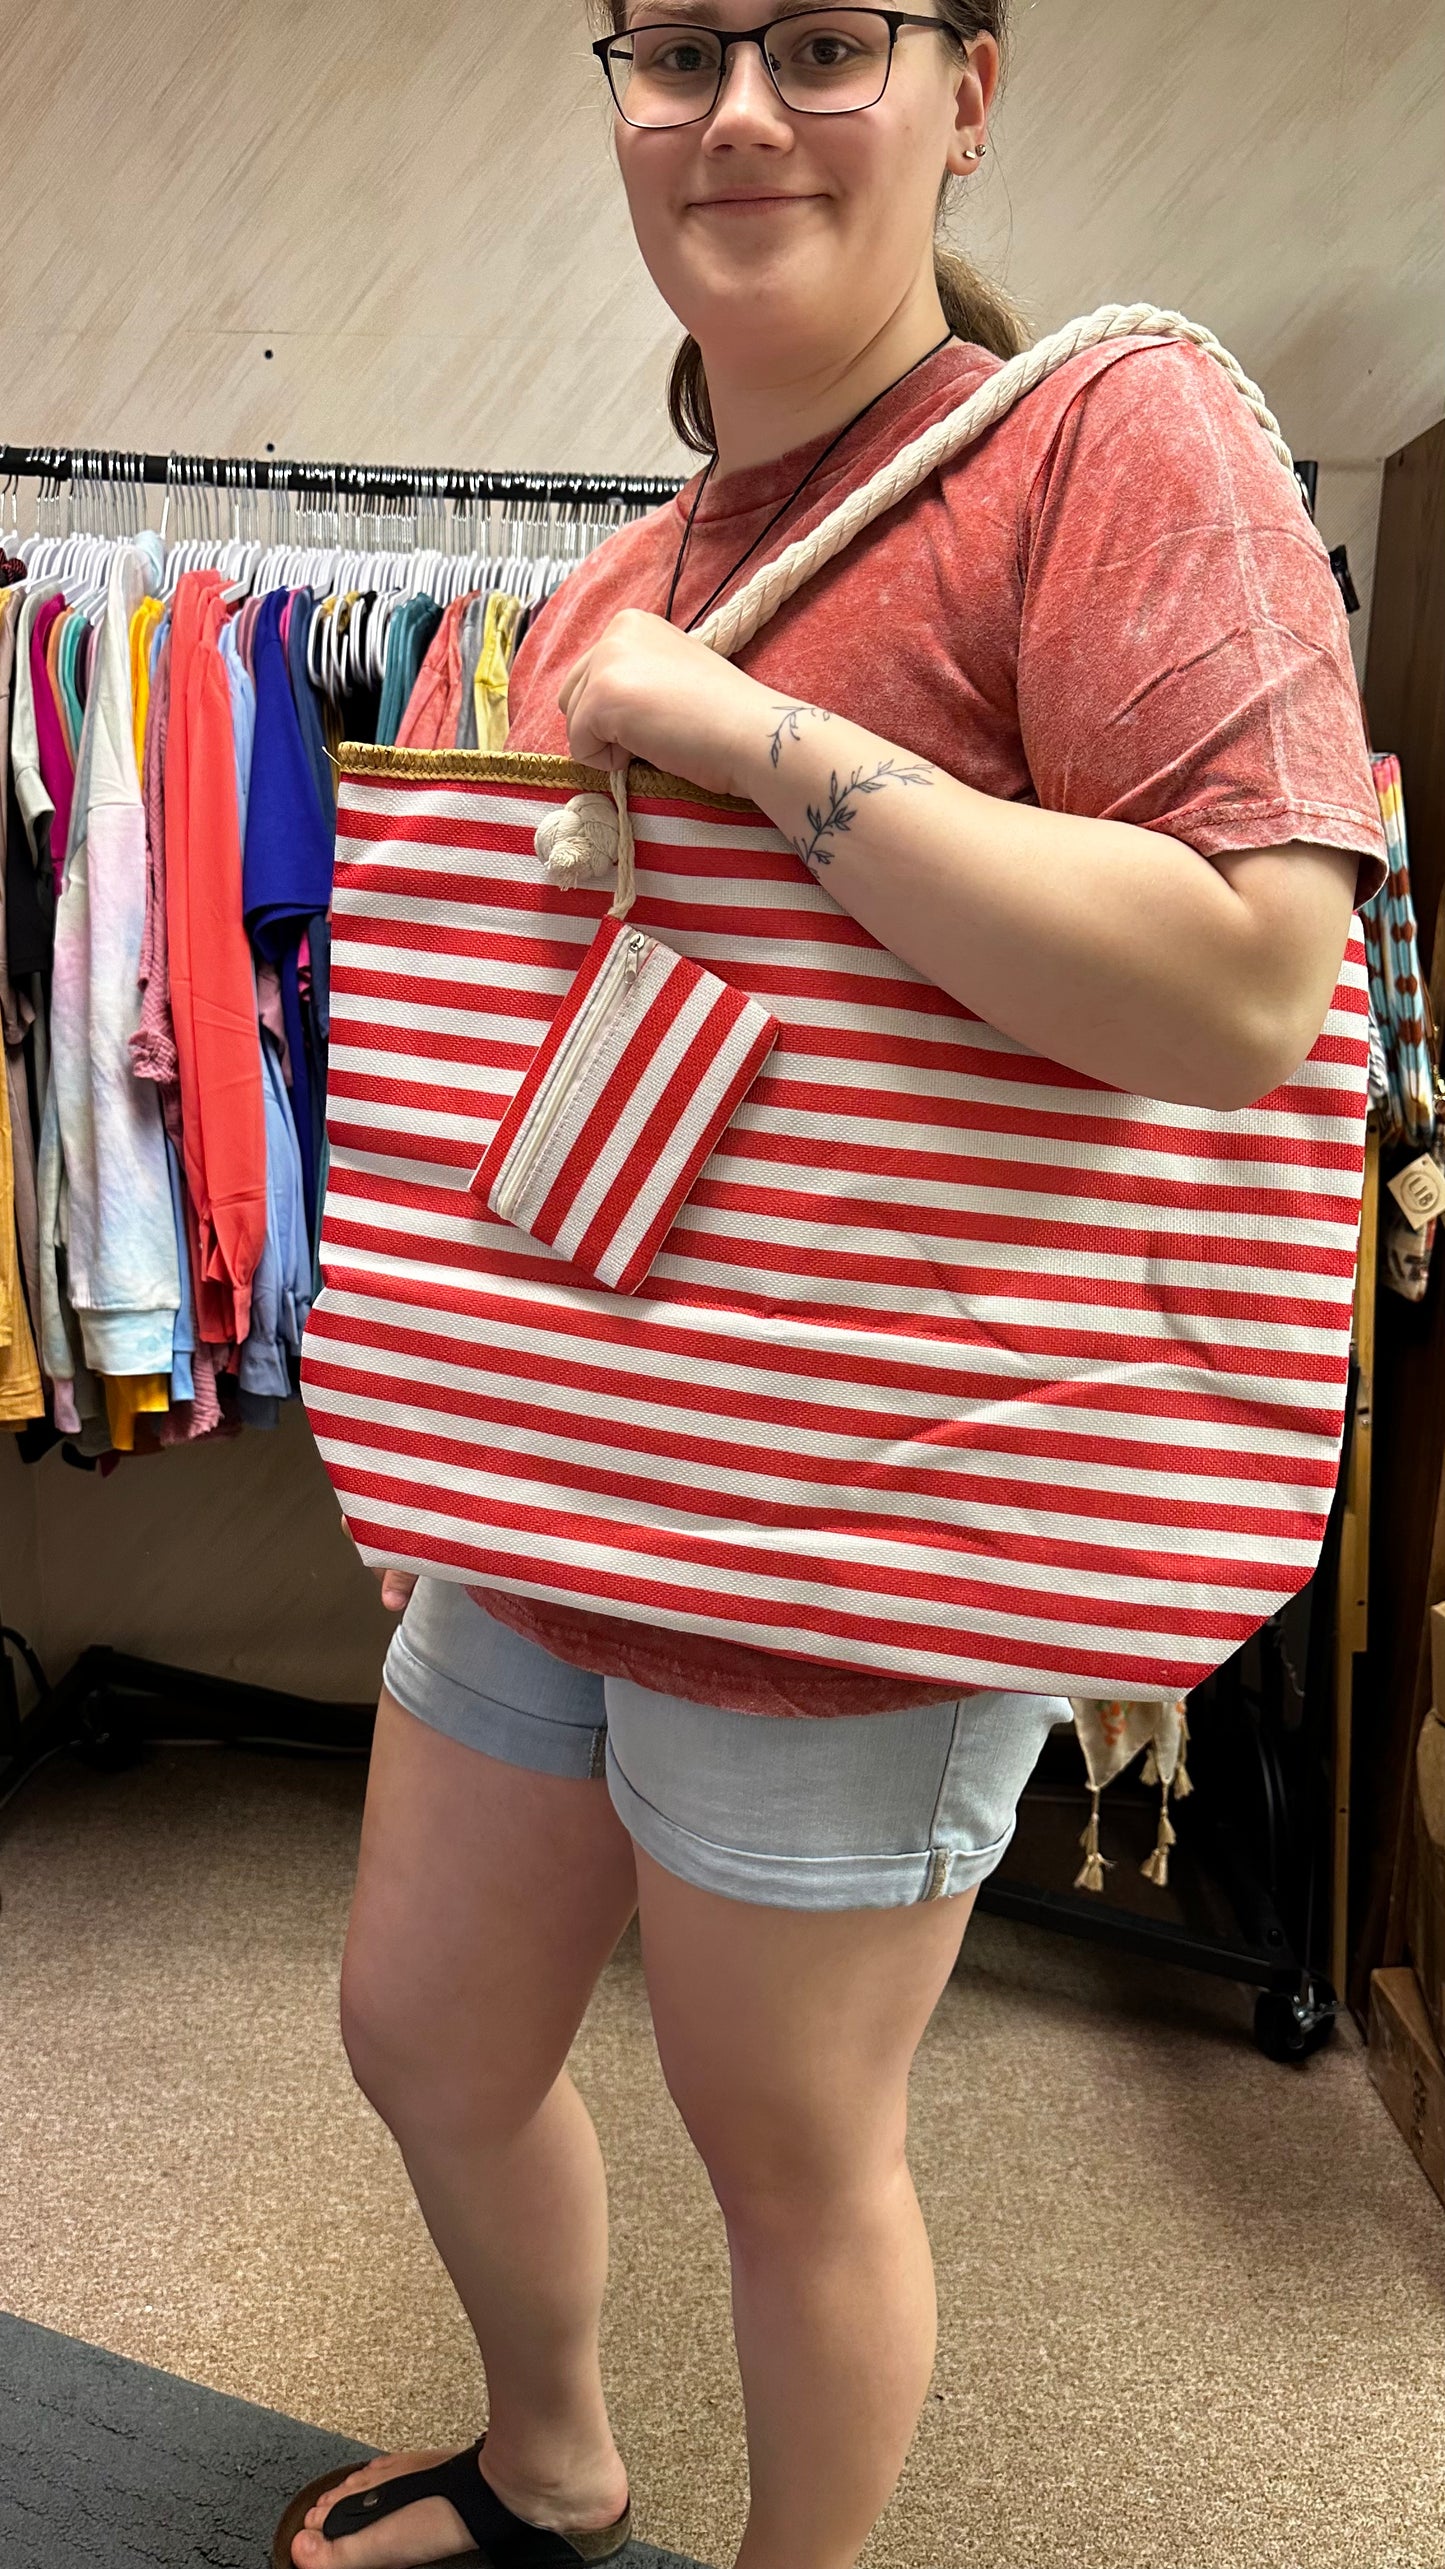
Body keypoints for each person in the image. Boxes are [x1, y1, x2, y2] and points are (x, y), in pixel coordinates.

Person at [281, 6, 1385, 2564]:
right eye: (678, 52)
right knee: (423, 2034)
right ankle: (552, 2458)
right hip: (561, 1474)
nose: (742, 110)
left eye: (820, 40)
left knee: (785, 2147)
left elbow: (1243, 986)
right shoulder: (624, 578)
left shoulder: (1114, 438)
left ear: (967, 84)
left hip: (874, 1521)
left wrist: (760, 744)